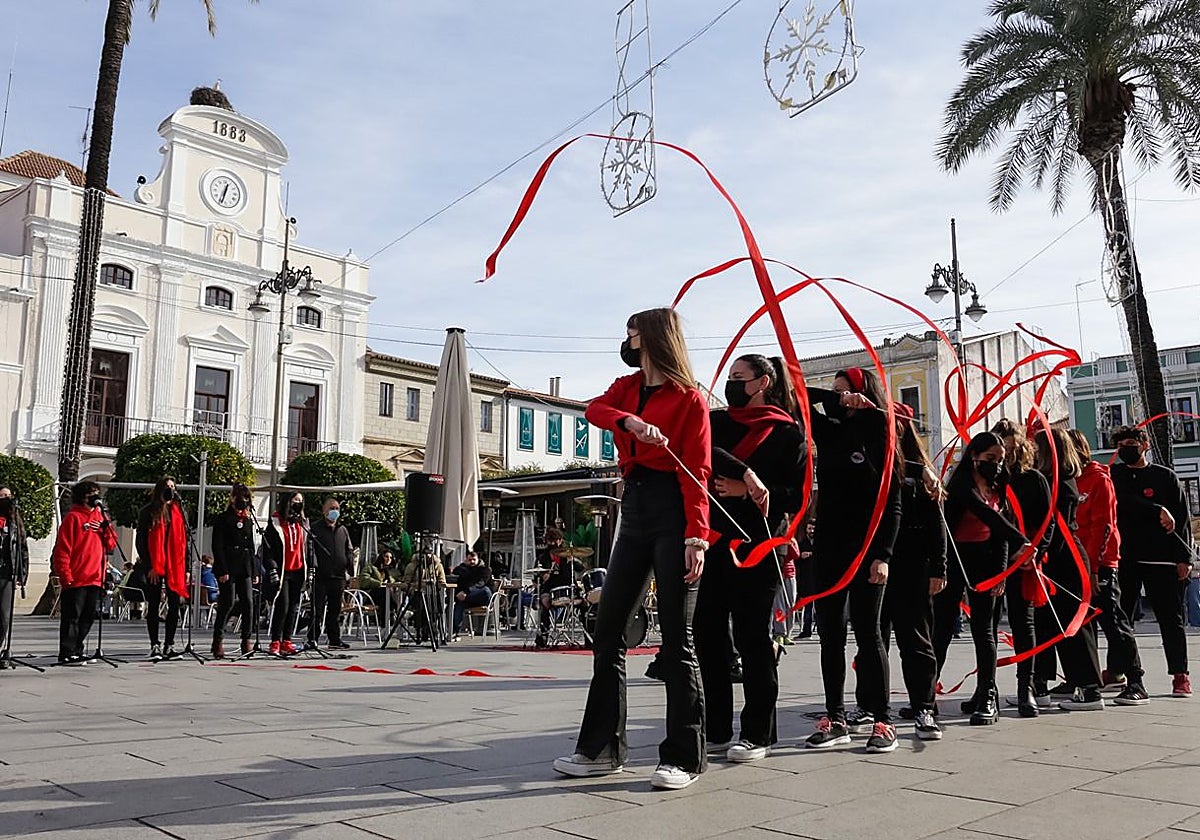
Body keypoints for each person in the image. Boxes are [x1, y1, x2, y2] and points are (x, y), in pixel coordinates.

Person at [553, 308, 710, 791]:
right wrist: (632, 423)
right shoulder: (626, 387)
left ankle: (683, 757)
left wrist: (697, 536)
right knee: (609, 628)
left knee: (677, 639)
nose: (627, 337)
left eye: (632, 329)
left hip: (674, 511)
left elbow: (698, 471)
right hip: (636, 504)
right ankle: (602, 749)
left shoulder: (689, 399)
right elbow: (595, 410)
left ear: (652, 335)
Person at [693, 354, 805, 763]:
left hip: (759, 545)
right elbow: (699, 454)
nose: (732, 383)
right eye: (731, 377)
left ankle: (758, 731)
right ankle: (718, 728)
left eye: (740, 377)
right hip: (714, 541)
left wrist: (747, 492)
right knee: (707, 633)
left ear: (763, 382)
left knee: (753, 637)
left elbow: (797, 494)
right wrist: (742, 473)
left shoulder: (789, 433)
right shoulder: (717, 422)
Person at [802, 368, 901, 753]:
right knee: (830, 633)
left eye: (848, 391)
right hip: (829, 546)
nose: (840, 398)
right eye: (836, 392)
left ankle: (882, 720)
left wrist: (883, 555)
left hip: (868, 549)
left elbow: (892, 502)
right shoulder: (828, 431)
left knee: (868, 632)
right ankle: (836, 716)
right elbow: (796, 395)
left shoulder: (881, 431)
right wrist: (833, 396)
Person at [933, 431, 1028, 726]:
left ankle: (987, 694)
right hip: (955, 559)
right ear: (974, 456)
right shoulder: (961, 484)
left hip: (986, 561)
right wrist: (1022, 541)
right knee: (943, 627)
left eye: (1000, 460)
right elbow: (986, 515)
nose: (997, 465)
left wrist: (1001, 572)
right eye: (990, 459)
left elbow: (1001, 529)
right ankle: (925, 693)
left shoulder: (1000, 485)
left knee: (984, 629)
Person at [878, 405, 947, 740]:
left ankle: (924, 706)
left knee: (915, 639)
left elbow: (937, 526)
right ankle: (874, 708)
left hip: (912, 565)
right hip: (876, 562)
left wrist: (939, 567)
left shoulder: (921, 476)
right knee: (874, 640)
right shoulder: (876, 465)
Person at [1110, 425, 1194, 697]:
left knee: (1171, 618)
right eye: (1121, 444)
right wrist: (1156, 508)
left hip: (1162, 560)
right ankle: (1117, 670)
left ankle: (1180, 675)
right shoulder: (1115, 475)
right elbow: (1122, 502)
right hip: (1125, 559)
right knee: (1120, 618)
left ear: (1144, 444)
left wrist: (1184, 558)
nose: (1126, 447)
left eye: (1131, 442)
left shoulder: (1165, 477)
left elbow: (1181, 521)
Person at [1068, 429, 1148, 705]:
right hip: (1077, 564)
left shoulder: (1099, 480)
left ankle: (1136, 680)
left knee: (1114, 621)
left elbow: (1104, 526)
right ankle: (1083, 680)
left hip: (1100, 564)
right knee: (1080, 624)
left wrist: (1094, 567)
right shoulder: (1070, 481)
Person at [1033, 427, 1106, 711]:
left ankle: (1090, 689)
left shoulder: (1060, 483)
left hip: (1066, 559)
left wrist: (1038, 554)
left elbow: (1055, 526)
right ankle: (1050, 683)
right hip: (1062, 557)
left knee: (1074, 623)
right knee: (1052, 622)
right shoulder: (1059, 480)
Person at [991, 418, 1054, 717]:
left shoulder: (1033, 480)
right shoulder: (989, 478)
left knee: (1023, 622)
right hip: (989, 558)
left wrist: (1035, 552)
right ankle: (986, 689)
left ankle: (1026, 687)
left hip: (1023, 560)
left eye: (1009, 444)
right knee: (986, 625)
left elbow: (1048, 522)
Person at [51, 481, 116, 665]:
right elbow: (62, 549)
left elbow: (111, 545)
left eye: (96, 492)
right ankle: (67, 652)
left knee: (88, 616)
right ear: (82, 497)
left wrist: (105, 529)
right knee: (72, 616)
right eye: (90, 493)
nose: (95, 496)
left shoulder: (101, 517)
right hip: (77, 577)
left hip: (95, 577)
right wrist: (66, 575)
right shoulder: (73, 517)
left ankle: (78, 649)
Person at [136, 476, 190, 661]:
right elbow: (141, 541)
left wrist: (187, 567)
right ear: (159, 489)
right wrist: (149, 565)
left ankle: (169, 644)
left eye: (173, 487)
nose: (171, 490)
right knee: (154, 604)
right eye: (167, 487)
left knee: (174, 605)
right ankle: (155, 645)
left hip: (175, 565)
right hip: (155, 565)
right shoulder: (148, 512)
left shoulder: (179, 511)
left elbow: (185, 542)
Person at [210, 483, 258, 658]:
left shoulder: (248, 520)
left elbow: (251, 546)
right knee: (227, 602)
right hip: (228, 564)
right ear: (232, 499)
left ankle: (246, 640)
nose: (243, 502)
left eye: (246, 498)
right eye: (240, 498)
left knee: (248, 602)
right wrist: (222, 569)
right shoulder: (223, 519)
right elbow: (218, 545)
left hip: (244, 565)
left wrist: (254, 571)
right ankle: (218, 640)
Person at [263, 492, 309, 656]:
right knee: (283, 605)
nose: (298, 503)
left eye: (300, 501)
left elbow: (307, 546)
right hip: (283, 570)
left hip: (298, 570)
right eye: (295, 500)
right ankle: (275, 640)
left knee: (294, 607)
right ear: (287, 501)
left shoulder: (302, 523)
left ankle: (287, 641)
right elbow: (267, 548)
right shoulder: (275, 521)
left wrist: (310, 569)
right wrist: (272, 568)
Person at [307, 497, 354, 650]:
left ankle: (334, 639)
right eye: (331, 508)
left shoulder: (342, 529)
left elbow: (349, 549)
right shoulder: (315, 528)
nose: (335, 511)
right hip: (321, 575)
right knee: (317, 610)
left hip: (338, 576)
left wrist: (349, 565)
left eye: (337, 508)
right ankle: (312, 638)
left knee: (335, 610)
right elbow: (310, 549)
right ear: (324, 511)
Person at [536, 528, 585, 648]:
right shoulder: (543, 557)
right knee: (545, 602)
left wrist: (573, 560)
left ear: (560, 540)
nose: (553, 544)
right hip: (550, 589)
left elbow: (581, 568)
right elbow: (536, 574)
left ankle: (589, 635)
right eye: (550, 541)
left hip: (569, 589)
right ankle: (544, 635)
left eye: (556, 541)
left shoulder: (567, 554)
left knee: (585, 604)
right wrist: (543, 576)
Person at [0, 486, 30, 664]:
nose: (5, 499)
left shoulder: (15, 522)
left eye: (8, 496)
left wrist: (22, 573)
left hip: (6, 574)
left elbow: (22, 548)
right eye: (2, 495)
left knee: (4, 616)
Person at [400, 545, 447, 642]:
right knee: (420, 605)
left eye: (429, 554)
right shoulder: (412, 566)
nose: (427, 557)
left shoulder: (437, 565)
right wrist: (417, 584)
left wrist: (435, 583)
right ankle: (421, 628)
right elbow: (406, 582)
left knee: (435, 606)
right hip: (416, 593)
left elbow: (442, 581)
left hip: (432, 593)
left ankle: (432, 628)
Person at [451, 549, 494, 636]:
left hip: (482, 597)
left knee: (485, 590)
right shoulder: (462, 569)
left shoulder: (485, 569)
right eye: (469, 560)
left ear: (478, 559)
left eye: (474, 559)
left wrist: (465, 592)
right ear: (466, 560)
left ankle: (462, 597)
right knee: (458, 605)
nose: (472, 562)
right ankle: (454, 632)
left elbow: (480, 583)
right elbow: (455, 575)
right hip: (468, 599)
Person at [795, 521, 816, 638]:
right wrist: (801, 556)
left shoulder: (819, 543)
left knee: (819, 608)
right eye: (809, 529)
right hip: (806, 579)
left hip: (818, 579)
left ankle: (821, 631)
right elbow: (795, 559)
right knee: (807, 607)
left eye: (813, 529)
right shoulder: (802, 543)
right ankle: (806, 630)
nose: (811, 531)